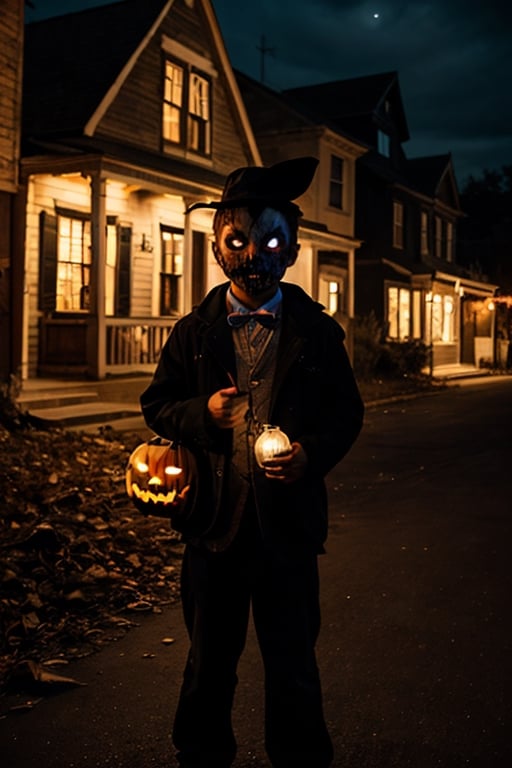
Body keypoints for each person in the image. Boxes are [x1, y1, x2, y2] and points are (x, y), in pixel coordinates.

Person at [140, 156, 364, 768]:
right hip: (214, 528)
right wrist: (201, 416)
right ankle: (202, 753)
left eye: (270, 242)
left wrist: (311, 455)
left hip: (287, 532)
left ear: (291, 250)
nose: (252, 254)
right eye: (237, 241)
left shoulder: (318, 334)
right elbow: (157, 404)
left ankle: (299, 757)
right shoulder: (193, 332)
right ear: (217, 247)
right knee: (209, 660)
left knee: (293, 661)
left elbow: (347, 413)